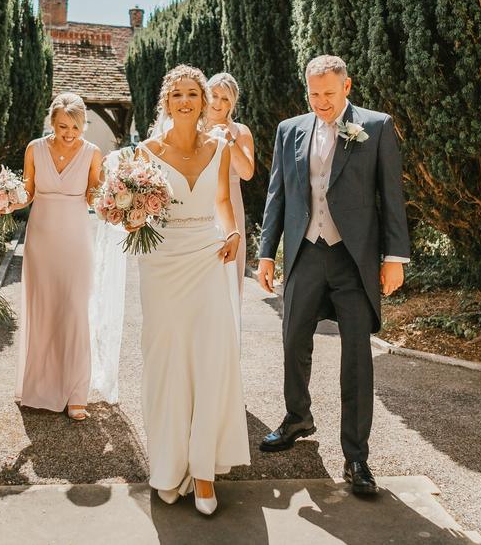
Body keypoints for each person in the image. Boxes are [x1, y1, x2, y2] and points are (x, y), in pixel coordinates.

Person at [255, 55, 410, 496]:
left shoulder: (376, 127)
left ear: (347, 87)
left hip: (353, 258)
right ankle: (297, 417)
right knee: (292, 340)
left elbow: (391, 195)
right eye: (314, 93)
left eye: (328, 92)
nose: (321, 101)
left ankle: (356, 455)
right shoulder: (289, 130)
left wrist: (394, 256)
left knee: (356, 356)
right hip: (305, 252)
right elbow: (277, 195)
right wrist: (266, 254)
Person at [133, 65, 249, 515]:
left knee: (210, 360)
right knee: (166, 364)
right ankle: (167, 465)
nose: (185, 101)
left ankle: (203, 472)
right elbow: (137, 210)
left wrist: (235, 232)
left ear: (204, 103)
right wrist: (128, 214)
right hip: (162, 264)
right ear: (166, 102)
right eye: (177, 94)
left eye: (192, 94)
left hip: (207, 258)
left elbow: (222, 199)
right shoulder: (145, 151)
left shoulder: (220, 148)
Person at [2, 92, 103, 421]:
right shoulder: (35, 148)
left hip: (75, 240)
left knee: (73, 310)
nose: (69, 133)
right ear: (52, 122)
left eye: (75, 127)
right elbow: (27, 192)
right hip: (41, 239)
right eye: (62, 126)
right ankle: (40, 387)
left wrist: (121, 204)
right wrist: (7, 200)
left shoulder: (92, 153)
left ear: (83, 124)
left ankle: (76, 393)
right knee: (43, 308)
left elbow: (95, 194)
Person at [206, 72, 255, 331]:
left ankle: (227, 343)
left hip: (230, 206)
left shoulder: (240, 131)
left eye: (225, 98)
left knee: (228, 275)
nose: (217, 103)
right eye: (214, 95)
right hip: (199, 204)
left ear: (231, 104)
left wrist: (229, 139)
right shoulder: (191, 127)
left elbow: (247, 172)